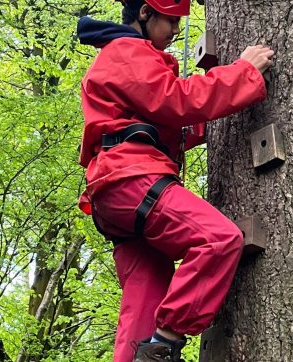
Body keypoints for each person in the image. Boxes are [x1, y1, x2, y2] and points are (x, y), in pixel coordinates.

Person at [76, 0, 273, 361]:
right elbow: (175, 101)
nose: (176, 32)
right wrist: (242, 73)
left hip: (115, 193)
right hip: (131, 179)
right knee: (218, 239)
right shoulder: (126, 51)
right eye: (171, 21)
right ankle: (165, 345)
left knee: (145, 295)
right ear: (145, 14)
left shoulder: (122, 59)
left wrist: (215, 115)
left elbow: (167, 124)